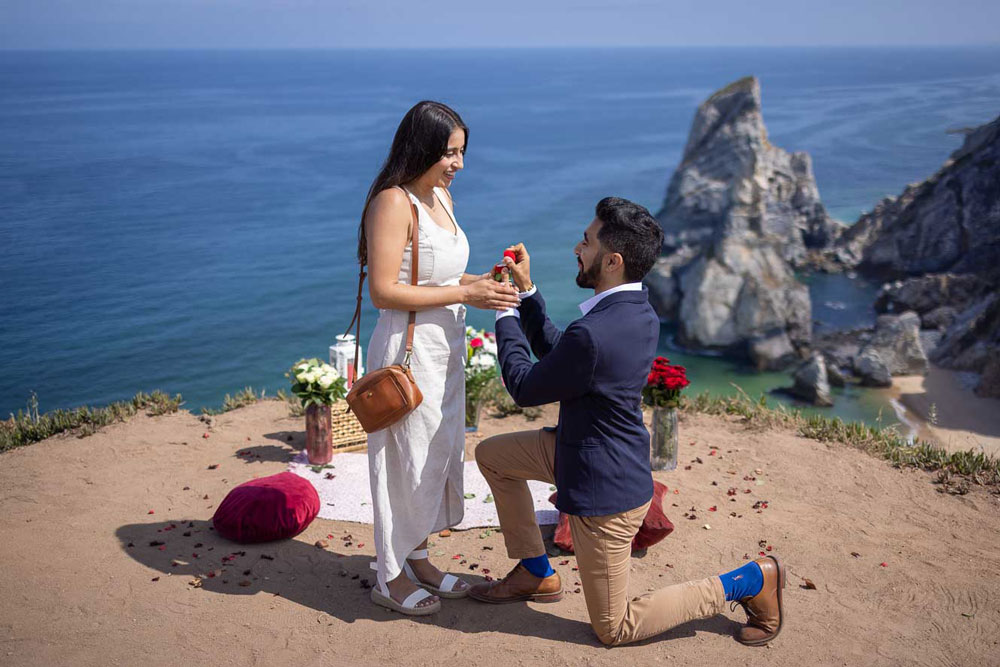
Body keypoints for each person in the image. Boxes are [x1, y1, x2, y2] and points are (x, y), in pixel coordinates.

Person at [469, 197, 787, 646]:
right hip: (584, 452)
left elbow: (523, 386)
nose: (576, 249)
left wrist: (503, 312)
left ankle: (750, 580)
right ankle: (535, 571)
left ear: (613, 260)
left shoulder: (595, 332)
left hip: (604, 491)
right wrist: (525, 291)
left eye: (586, 242)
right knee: (493, 456)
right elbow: (566, 354)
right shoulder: (638, 308)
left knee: (614, 628)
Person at [359, 101, 521, 616]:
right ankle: (387, 574)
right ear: (423, 148)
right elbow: (384, 292)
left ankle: (420, 558)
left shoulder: (443, 197)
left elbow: (441, 279)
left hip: (444, 348)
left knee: (433, 456)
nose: (459, 164)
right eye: (450, 153)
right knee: (400, 463)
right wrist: (463, 296)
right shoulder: (392, 202)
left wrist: (480, 284)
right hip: (406, 351)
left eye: (461, 152)